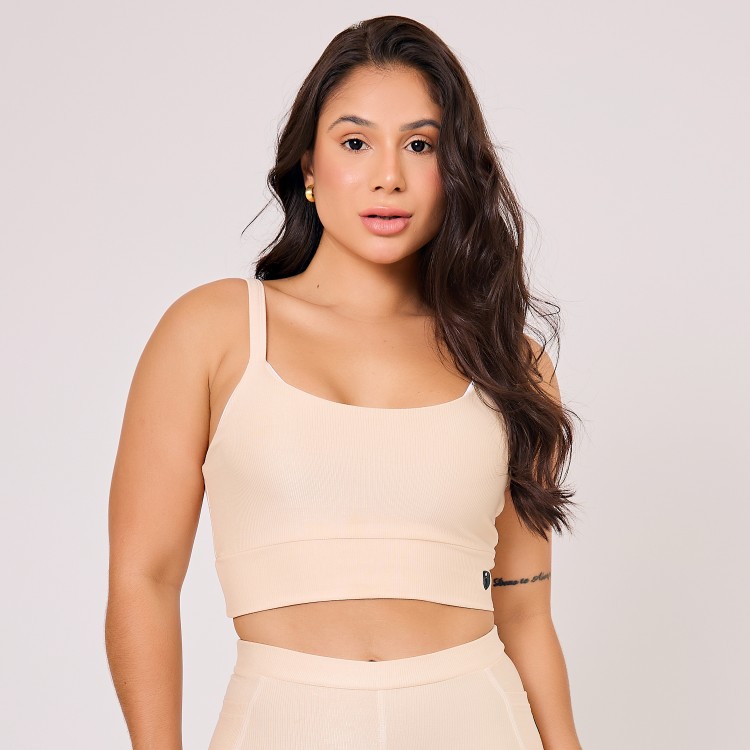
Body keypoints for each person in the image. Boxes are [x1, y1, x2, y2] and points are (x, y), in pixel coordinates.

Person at [105, 14, 583, 750]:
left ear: (455, 171)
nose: (388, 175)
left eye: (420, 145)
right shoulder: (214, 331)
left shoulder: (509, 363)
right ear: (308, 166)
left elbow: (525, 616)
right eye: (355, 142)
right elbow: (144, 579)